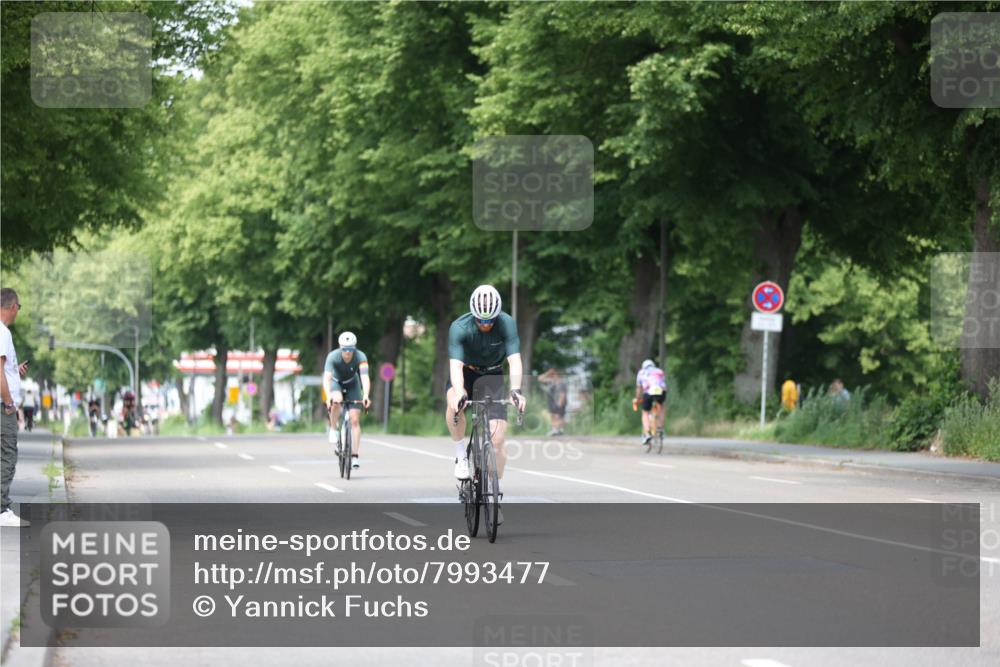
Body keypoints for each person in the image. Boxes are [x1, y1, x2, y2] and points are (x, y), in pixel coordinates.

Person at [446, 285, 526, 524]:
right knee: (453, 402)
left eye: (490, 320)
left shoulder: (507, 324)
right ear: (473, 314)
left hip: (493, 376)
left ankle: (494, 495)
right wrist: (460, 392)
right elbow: (455, 368)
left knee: (499, 441)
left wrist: (516, 391)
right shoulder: (459, 328)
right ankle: (461, 455)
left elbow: (515, 361)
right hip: (467, 373)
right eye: (481, 320)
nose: (485, 324)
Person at [1, 288, 30, 527]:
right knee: (7, 455)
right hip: (2, 407)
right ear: (12, 307)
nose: (17, 312)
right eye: (18, 308)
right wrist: (9, 402)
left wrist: (15, 370)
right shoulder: (2, 333)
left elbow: (4, 369)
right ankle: (2, 510)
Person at [323, 331, 371, 470]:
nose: (348, 352)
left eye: (350, 349)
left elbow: (365, 377)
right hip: (336, 382)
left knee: (355, 419)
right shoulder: (333, 356)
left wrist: (366, 395)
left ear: (354, 348)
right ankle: (333, 428)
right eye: (345, 349)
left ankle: (355, 455)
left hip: (353, 383)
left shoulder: (361, 356)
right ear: (340, 347)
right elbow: (326, 378)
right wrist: (328, 397)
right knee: (336, 400)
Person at [634, 359, 666, 446]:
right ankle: (660, 428)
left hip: (648, 392)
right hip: (660, 391)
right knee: (661, 407)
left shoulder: (641, 372)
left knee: (645, 412)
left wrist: (637, 398)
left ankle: (647, 434)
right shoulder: (659, 371)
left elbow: (639, 388)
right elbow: (664, 385)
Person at [539, 368, 567, 436]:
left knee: (558, 416)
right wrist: (547, 373)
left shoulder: (561, 383)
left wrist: (560, 403)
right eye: (551, 375)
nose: (552, 376)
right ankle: (556, 430)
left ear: (557, 375)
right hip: (552, 402)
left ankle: (557, 430)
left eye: (553, 375)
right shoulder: (551, 381)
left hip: (559, 402)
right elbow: (540, 378)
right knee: (553, 416)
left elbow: (562, 394)